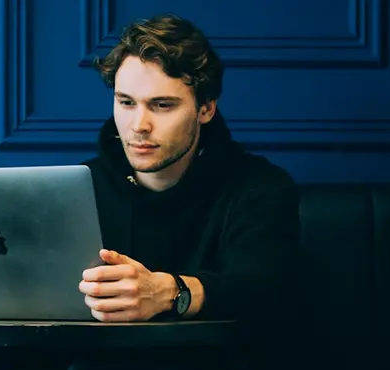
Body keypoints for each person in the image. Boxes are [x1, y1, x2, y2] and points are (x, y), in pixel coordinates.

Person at [67, 13, 301, 370]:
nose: (139, 125)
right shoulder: (80, 185)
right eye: (126, 102)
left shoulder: (259, 187)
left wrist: (168, 292)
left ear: (205, 108)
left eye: (162, 105)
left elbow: (259, 286)